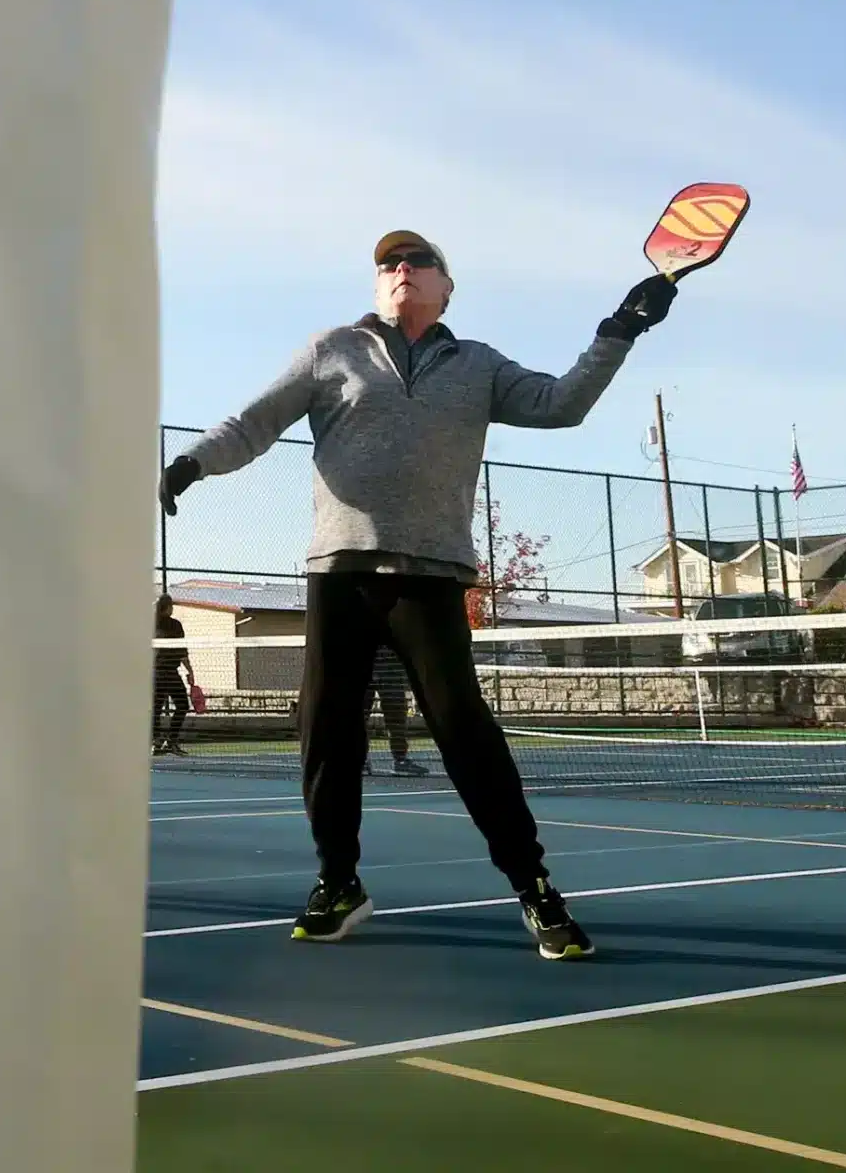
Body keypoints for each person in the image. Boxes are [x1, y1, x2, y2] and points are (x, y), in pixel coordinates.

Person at [162, 229, 678, 958]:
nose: (400, 269)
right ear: (378, 288)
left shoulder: (479, 365)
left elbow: (562, 404)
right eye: (388, 264)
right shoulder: (331, 349)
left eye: (417, 261)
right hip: (340, 570)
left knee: (463, 729)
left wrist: (619, 329)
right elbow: (254, 423)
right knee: (324, 729)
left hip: (431, 575)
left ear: (445, 288)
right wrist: (191, 462)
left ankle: (533, 886)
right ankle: (338, 882)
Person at [364, 650, 431, 777]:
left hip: (390, 664)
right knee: (359, 713)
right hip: (362, 658)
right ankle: (359, 759)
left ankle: (400, 759)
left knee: (396, 711)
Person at [152, 595, 195, 756]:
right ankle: (166, 741)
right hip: (165, 672)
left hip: (159, 673)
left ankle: (162, 742)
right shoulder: (174, 625)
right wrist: (190, 672)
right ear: (168, 607)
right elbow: (182, 652)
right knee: (181, 705)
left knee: (156, 708)